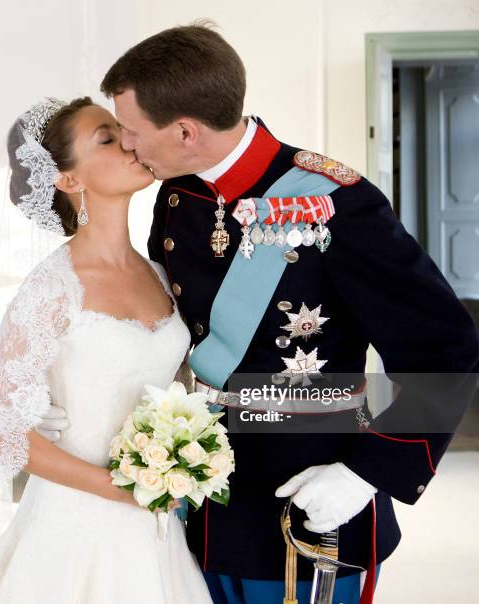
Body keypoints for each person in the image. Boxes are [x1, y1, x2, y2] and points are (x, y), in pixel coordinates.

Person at [90, 22, 479, 604]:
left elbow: (446, 348)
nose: (125, 144)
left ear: (185, 131)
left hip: (313, 491)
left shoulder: (339, 204)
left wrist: (367, 472)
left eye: (130, 130)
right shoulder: (179, 195)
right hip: (203, 487)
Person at [0, 97, 213, 603]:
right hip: (75, 526)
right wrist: (120, 489)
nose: (129, 140)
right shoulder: (52, 289)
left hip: (157, 525)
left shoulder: (161, 272)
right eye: (105, 137)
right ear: (69, 181)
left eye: (121, 128)